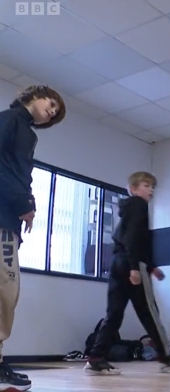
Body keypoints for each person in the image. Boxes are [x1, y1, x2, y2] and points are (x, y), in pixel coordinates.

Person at [84, 171, 170, 376]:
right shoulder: (139, 205)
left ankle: (95, 358)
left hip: (117, 263)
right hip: (130, 264)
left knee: (113, 314)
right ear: (133, 188)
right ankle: (166, 356)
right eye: (146, 185)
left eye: (152, 187)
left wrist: (150, 267)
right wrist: (135, 267)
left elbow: (131, 240)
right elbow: (133, 239)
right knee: (149, 312)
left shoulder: (128, 209)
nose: (150, 190)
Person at [0, 85, 66, 392]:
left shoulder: (23, 130)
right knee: (5, 291)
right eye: (51, 103)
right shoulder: (12, 120)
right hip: (2, 220)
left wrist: (28, 203)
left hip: (7, 219)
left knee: (6, 292)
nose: (52, 111)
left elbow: (15, 172)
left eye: (55, 113)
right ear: (33, 95)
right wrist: (22, 203)